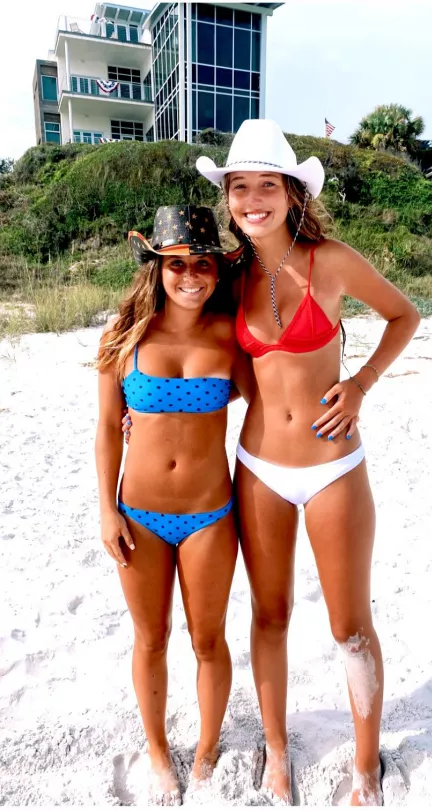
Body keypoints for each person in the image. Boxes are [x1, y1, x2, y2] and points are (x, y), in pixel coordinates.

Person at [196, 119, 421, 806]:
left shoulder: (332, 260)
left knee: (348, 624)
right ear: (228, 198)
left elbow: (403, 315)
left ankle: (364, 763)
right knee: (268, 615)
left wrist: (359, 385)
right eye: (240, 187)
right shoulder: (229, 276)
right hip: (258, 464)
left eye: (268, 184)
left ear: (293, 193)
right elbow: (183, 341)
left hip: (332, 466)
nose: (252, 198)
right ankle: (276, 753)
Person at [95, 205, 250, 805]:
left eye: (203, 264)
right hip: (138, 515)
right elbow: (110, 429)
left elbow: (268, 405)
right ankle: (159, 751)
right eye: (177, 264)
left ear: (217, 271)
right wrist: (107, 510)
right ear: (157, 268)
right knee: (151, 637)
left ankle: (207, 747)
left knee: (208, 639)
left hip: (212, 513)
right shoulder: (125, 335)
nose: (190, 276)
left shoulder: (229, 335)